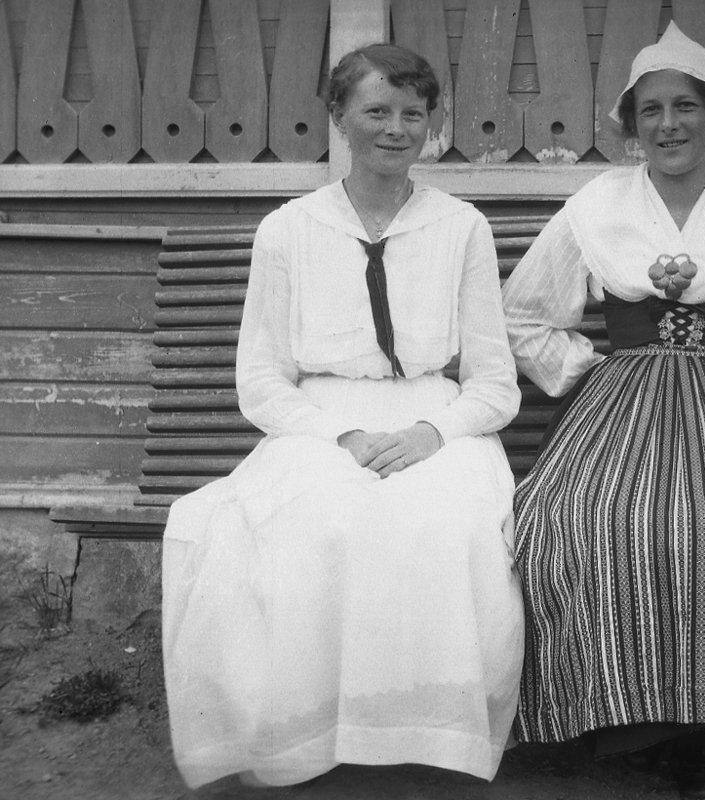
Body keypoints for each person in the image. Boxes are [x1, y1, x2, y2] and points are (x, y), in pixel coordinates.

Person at [161, 43, 524, 789]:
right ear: (339, 117)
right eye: (377, 111)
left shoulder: (461, 227)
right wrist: (342, 437)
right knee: (316, 522)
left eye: (413, 114)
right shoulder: (290, 228)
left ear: (432, 123)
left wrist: (431, 434)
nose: (396, 129)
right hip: (320, 420)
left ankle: (421, 730)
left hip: (433, 418)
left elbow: (494, 383)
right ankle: (310, 733)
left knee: (448, 523)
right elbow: (262, 380)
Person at [502, 22, 705, 800]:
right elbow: (523, 314)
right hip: (622, 394)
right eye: (650, 110)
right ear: (631, 124)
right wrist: (584, 371)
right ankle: (619, 710)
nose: (669, 125)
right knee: (575, 514)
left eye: (686, 106)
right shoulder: (598, 203)